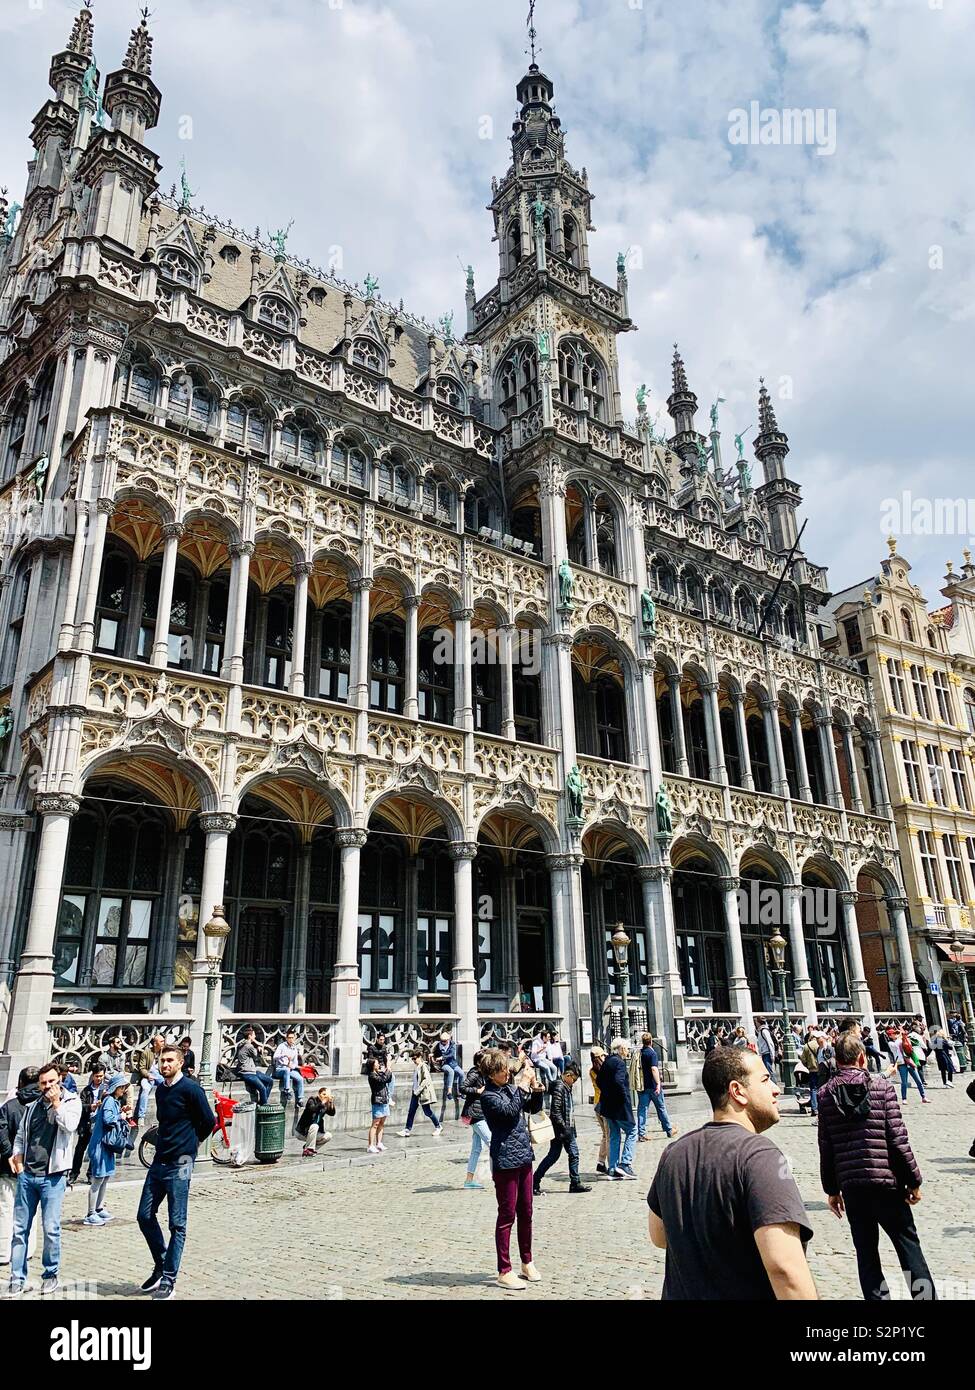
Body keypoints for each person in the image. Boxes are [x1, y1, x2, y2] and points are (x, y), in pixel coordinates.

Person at [647, 1047, 817, 1300]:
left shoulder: (673, 1153)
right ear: (738, 1092)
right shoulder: (760, 1156)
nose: (776, 1089)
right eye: (765, 1079)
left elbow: (659, 1236)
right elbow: (785, 1270)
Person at [817, 1032, 934, 1300]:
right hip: (887, 1184)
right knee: (909, 1249)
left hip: (853, 1187)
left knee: (867, 1255)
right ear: (862, 1058)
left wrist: (832, 1189)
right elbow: (897, 1139)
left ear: (836, 1060)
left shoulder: (824, 1095)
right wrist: (913, 1180)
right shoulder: (881, 1088)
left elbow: (826, 1146)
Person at [136, 1043, 215, 1300]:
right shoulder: (160, 1090)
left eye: (170, 1060)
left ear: (180, 1062)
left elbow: (209, 1121)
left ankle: (169, 1278)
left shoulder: (192, 1089)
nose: (165, 1064)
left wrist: (190, 1147)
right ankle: (161, 1264)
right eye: (162, 1060)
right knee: (144, 1215)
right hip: (159, 1160)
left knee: (177, 1223)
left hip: (181, 1162)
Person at [7, 1060, 82, 1296]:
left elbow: (70, 1126)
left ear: (59, 1079)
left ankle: (50, 1275)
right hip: (28, 1176)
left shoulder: (71, 1102)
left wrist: (57, 1102)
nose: (47, 1086)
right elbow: (21, 1135)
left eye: (51, 1081)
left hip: (53, 1177)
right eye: (43, 1083)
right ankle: (17, 1278)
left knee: (51, 1229)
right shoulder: (33, 1106)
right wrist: (16, 1154)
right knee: (20, 1230)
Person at [480, 1046, 545, 1290]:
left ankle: (527, 1261)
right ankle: (504, 1269)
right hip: (505, 1159)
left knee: (526, 1211)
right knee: (507, 1215)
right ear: (492, 1073)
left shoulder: (509, 1088)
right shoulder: (489, 1097)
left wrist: (535, 1089)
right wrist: (522, 1086)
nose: (507, 1073)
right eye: (502, 1070)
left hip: (524, 1156)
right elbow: (508, 1113)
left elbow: (530, 1107)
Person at [0, 1068, 39, 1269]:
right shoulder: (44, 1106)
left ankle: (3, 1252)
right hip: (37, 1168)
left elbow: (1, 1132)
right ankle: (28, 1251)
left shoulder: (10, 1106)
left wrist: (9, 1154)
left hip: (10, 1167)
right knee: (31, 1210)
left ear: (20, 1082)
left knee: (6, 1210)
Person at [532, 1062, 591, 1195]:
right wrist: (565, 1128)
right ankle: (575, 1183)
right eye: (574, 1079)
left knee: (553, 1156)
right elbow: (556, 1111)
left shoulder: (564, 1086)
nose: (574, 1083)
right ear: (568, 1075)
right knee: (573, 1154)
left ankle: (535, 1180)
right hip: (562, 1129)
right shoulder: (560, 1087)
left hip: (563, 1129)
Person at [84, 1074, 132, 1226]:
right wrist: (121, 1115)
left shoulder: (114, 1101)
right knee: (98, 1179)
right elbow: (108, 1119)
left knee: (104, 1178)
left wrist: (120, 1112)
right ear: (116, 1088)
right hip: (100, 1145)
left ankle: (99, 1208)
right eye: (122, 1088)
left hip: (107, 1145)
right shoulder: (110, 1100)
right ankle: (90, 1212)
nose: (124, 1090)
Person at [599, 1038, 638, 1179]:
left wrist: (607, 1093)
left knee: (615, 1135)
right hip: (619, 1106)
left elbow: (599, 1080)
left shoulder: (607, 1061)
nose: (628, 1052)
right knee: (633, 1131)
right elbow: (618, 1082)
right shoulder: (620, 1063)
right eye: (627, 1049)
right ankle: (625, 1163)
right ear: (621, 1049)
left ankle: (613, 1169)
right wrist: (624, 1099)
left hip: (607, 1106)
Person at [69, 1065, 107, 1188]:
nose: (99, 1078)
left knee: (95, 1151)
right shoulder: (86, 1090)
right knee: (80, 1150)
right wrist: (90, 1107)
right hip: (86, 1124)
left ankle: (90, 1174)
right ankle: (74, 1174)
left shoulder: (105, 1090)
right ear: (93, 1076)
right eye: (97, 1076)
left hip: (98, 1124)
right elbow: (80, 1106)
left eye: (101, 1076)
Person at [636, 1032, 679, 1141]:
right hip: (653, 1085)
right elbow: (654, 1069)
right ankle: (669, 1130)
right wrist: (658, 1084)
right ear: (651, 1041)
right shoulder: (652, 1053)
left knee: (642, 1109)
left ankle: (641, 1133)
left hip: (642, 1085)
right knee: (661, 1107)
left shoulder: (640, 1053)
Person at [460, 1050, 491, 1190]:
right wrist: (477, 1091)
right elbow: (463, 1087)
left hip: (480, 1113)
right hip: (474, 1114)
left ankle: (469, 1180)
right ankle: (498, 1175)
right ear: (479, 1062)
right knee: (492, 1142)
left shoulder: (484, 1073)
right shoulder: (474, 1073)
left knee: (476, 1149)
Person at [397, 1049, 442, 1137]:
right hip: (416, 1093)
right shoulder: (417, 1067)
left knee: (427, 1112)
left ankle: (438, 1126)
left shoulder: (423, 1066)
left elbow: (425, 1080)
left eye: (415, 1058)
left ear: (419, 1057)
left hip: (420, 1093)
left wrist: (417, 1091)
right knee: (411, 1111)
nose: (414, 1060)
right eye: (412, 1059)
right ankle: (407, 1129)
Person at [233, 1025, 274, 1106]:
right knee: (262, 1088)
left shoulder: (242, 1044)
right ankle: (264, 1105)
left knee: (269, 1081)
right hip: (247, 1073)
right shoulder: (249, 1046)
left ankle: (262, 1102)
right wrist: (258, 1048)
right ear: (250, 1036)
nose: (255, 1036)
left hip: (252, 1071)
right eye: (254, 1035)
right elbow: (256, 1056)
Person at [130, 1033, 165, 1124]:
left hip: (160, 1076)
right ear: (155, 1043)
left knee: (170, 1087)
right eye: (161, 1041)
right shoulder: (147, 1052)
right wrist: (148, 1075)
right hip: (148, 1076)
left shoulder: (164, 1052)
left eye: (163, 1041)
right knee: (145, 1089)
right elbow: (142, 1068)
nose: (163, 1043)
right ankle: (141, 1116)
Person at [889, 1027, 930, 1103]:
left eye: (896, 1033)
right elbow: (896, 1046)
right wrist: (902, 1036)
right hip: (901, 1063)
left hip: (910, 1061)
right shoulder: (891, 1043)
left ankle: (923, 1097)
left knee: (918, 1080)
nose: (896, 1034)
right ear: (890, 1036)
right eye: (894, 1034)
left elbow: (911, 1046)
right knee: (904, 1082)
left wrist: (905, 1037)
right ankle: (904, 1099)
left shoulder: (904, 1039)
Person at [296, 1088, 336, 1156]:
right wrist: (322, 1102)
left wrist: (331, 1102)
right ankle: (309, 1149)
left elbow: (332, 1113)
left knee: (328, 1136)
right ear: (319, 1094)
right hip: (303, 1132)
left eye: (327, 1095)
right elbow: (312, 1109)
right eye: (324, 1094)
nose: (325, 1096)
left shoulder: (325, 1105)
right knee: (315, 1126)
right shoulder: (312, 1100)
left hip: (313, 1133)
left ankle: (308, 1149)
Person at [589, 1045, 610, 1173]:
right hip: (604, 1103)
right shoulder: (603, 1070)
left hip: (597, 1104)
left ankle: (601, 1162)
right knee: (609, 1135)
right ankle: (611, 1163)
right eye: (602, 1055)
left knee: (605, 1134)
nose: (604, 1057)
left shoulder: (592, 1070)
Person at [272, 1029, 305, 1107]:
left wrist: (293, 1066)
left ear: (294, 1038)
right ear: (286, 1038)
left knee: (300, 1078)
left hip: (290, 1069)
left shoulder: (294, 1048)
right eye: (289, 1038)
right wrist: (284, 1056)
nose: (291, 1039)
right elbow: (275, 1056)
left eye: (292, 1038)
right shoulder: (282, 1046)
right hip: (280, 1069)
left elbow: (295, 1062)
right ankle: (287, 1090)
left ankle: (300, 1099)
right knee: (286, 1070)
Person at [366, 1058, 392, 1153]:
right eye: (377, 1063)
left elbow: (388, 1079)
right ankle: (370, 1145)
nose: (378, 1064)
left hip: (384, 1099)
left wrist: (387, 1070)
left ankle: (379, 1143)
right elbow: (383, 1080)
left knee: (382, 1123)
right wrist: (388, 1068)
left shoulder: (378, 1073)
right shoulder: (372, 1075)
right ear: (372, 1065)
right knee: (375, 1124)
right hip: (378, 1100)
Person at [432, 1031, 465, 1102]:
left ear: (448, 1040)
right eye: (442, 1041)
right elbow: (435, 1053)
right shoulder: (438, 1045)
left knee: (461, 1073)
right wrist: (433, 1055)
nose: (443, 1042)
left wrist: (442, 1057)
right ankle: (449, 1092)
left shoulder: (452, 1044)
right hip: (444, 1064)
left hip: (452, 1063)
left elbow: (451, 1054)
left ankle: (461, 1092)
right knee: (451, 1072)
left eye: (445, 1041)